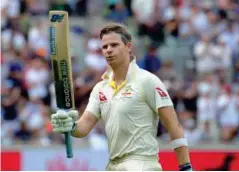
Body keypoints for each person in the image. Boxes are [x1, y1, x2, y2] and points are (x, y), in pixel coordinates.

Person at [51, 23, 192, 171]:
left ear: (128, 46)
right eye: (105, 47)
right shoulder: (100, 88)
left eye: (114, 45)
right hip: (114, 165)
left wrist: (185, 166)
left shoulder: (147, 81)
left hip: (143, 164)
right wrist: (70, 125)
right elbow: (83, 128)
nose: (109, 50)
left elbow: (173, 125)